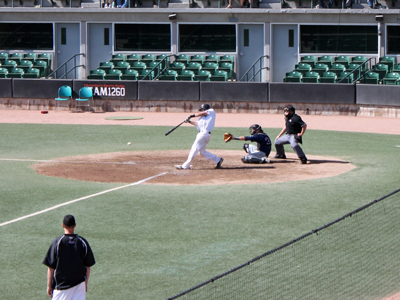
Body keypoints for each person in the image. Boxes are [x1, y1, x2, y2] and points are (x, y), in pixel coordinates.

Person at [43, 215, 96, 300]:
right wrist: (85, 283)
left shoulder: (58, 242)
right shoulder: (82, 242)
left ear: (63, 225)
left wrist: (49, 286)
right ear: (75, 225)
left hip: (62, 286)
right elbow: (88, 266)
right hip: (79, 285)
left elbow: (51, 267)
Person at [175, 103, 223, 170]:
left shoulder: (211, 111)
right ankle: (218, 159)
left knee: (194, 149)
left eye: (202, 109)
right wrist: (189, 121)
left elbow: (203, 113)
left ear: (205, 109)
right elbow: (197, 124)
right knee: (203, 152)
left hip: (204, 134)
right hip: (203, 135)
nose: (200, 111)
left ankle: (185, 166)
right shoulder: (202, 118)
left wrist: (191, 115)